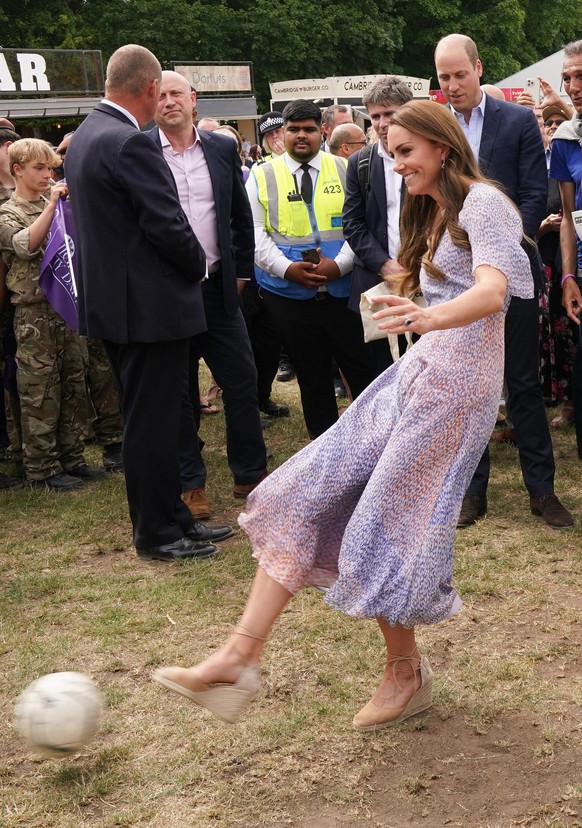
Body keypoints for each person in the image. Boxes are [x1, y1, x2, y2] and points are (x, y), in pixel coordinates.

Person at [153, 100, 533, 730]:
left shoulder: (483, 202)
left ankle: (404, 672)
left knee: (384, 519)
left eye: (406, 150)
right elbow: (430, 279)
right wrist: (400, 294)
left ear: (442, 147)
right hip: (420, 373)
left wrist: (425, 316)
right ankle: (238, 656)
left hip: (456, 386)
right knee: (306, 488)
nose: (396, 162)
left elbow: (493, 292)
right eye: (392, 151)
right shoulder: (432, 207)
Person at [65, 45, 218, 561]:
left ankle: (175, 518)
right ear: (151, 88)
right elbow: (165, 223)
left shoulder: (87, 134)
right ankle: (157, 532)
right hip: (147, 310)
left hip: (120, 307)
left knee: (157, 420)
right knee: (152, 425)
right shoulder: (128, 141)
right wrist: (199, 262)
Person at [435, 33, 573, 530]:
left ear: (478, 67)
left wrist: (501, 243)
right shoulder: (438, 128)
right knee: (471, 388)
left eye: (459, 74)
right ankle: (472, 492)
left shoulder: (515, 121)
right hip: (456, 279)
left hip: (512, 271)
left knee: (522, 383)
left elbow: (536, 193)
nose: (452, 85)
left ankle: (542, 490)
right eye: (443, 77)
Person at [149, 71, 268, 521]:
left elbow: (240, 218)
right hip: (168, 295)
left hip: (219, 290)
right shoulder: (141, 151)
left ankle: (250, 474)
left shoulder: (219, 148)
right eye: (160, 96)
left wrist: (237, 276)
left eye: (176, 93)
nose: (169, 102)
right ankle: (190, 483)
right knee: (179, 392)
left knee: (241, 381)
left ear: (193, 99)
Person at [245, 99, 374, 439]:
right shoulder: (261, 175)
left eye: (309, 129)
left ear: (322, 132)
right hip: (289, 296)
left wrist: (340, 265)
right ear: (281, 134)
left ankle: (371, 444)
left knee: (362, 374)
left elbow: (359, 226)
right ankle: (326, 450)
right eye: (293, 130)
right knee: (312, 378)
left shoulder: (346, 168)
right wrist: (288, 270)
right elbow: (255, 235)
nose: (301, 136)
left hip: (343, 292)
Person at [0, 139, 103, 490]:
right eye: (39, 168)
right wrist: (53, 206)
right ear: (18, 170)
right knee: (39, 390)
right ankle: (41, 467)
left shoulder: (55, 204)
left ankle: (72, 457)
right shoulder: (8, 212)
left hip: (65, 306)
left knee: (73, 381)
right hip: (33, 316)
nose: (48, 175)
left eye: (51, 169)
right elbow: (24, 245)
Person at [342, 75, 413, 376]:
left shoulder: (431, 154)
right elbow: (353, 223)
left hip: (425, 278)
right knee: (382, 368)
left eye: (390, 114)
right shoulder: (360, 162)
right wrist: (384, 264)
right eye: (376, 116)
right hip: (376, 281)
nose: (383, 123)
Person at [549, 40, 582, 458]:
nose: (573, 86)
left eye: (581, 75)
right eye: (569, 78)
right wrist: (569, 276)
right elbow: (570, 217)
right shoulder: (566, 138)